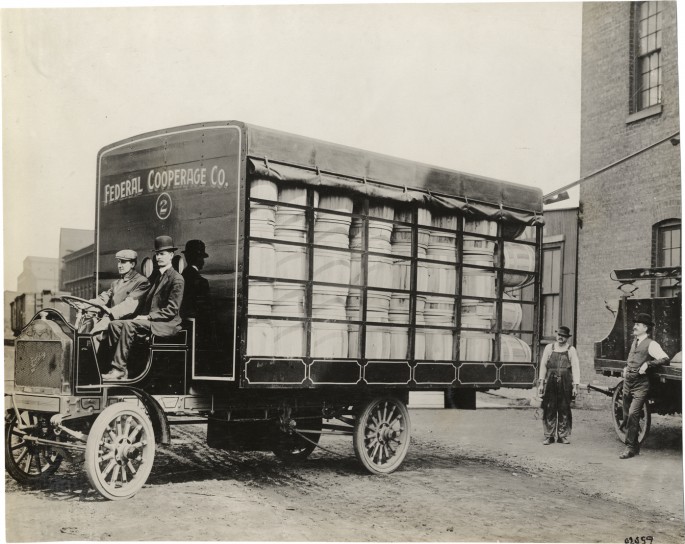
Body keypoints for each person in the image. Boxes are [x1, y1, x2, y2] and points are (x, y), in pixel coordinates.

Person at [101, 236, 185, 380]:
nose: (159, 257)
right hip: (153, 321)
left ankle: (118, 369)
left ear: (171, 255)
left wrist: (147, 317)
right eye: (157, 254)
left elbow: (172, 310)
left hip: (166, 324)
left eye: (162, 254)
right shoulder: (157, 277)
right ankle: (121, 367)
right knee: (114, 325)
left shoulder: (176, 279)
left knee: (129, 324)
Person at [619, 313, 670, 459]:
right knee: (627, 415)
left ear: (645, 328)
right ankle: (634, 447)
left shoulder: (651, 344)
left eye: (638, 325)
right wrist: (625, 367)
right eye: (635, 324)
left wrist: (648, 363)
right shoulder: (634, 342)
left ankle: (629, 448)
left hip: (640, 384)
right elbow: (632, 359)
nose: (634, 327)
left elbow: (665, 359)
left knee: (634, 413)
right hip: (627, 382)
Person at [88, 249, 149, 351]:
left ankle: (93, 365)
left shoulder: (141, 282)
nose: (119, 265)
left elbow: (129, 305)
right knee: (86, 326)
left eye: (123, 262)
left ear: (132, 264)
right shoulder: (116, 283)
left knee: (96, 334)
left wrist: (111, 311)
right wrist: (86, 304)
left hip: (126, 322)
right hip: (113, 319)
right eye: (119, 262)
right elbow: (104, 297)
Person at [537, 326, 580, 445]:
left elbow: (575, 368)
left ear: (567, 338)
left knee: (564, 408)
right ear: (556, 336)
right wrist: (541, 383)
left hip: (565, 382)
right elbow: (543, 366)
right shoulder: (549, 348)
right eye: (559, 335)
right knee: (549, 407)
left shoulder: (571, 350)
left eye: (564, 336)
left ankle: (563, 435)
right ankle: (549, 436)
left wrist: (575, 386)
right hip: (550, 380)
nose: (561, 337)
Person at [180, 239, 210, 319]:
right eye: (202, 258)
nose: (203, 261)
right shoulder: (202, 282)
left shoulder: (180, 277)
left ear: (186, 257)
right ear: (198, 258)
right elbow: (204, 311)